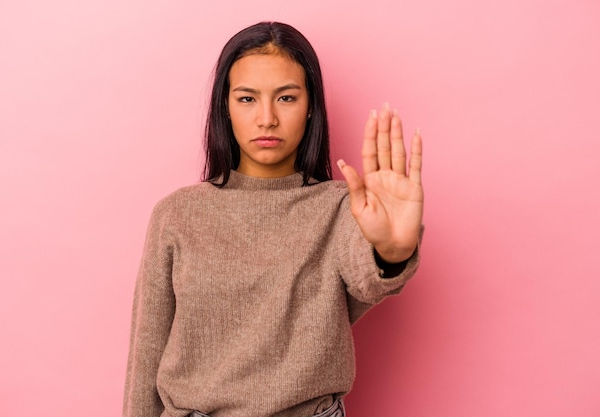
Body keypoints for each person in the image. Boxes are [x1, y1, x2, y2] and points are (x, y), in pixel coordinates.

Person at [123, 21, 424, 417]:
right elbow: (147, 352)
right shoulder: (177, 214)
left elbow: (366, 277)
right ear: (225, 107)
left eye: (286, 98)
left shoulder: (340, 207)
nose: (266, 118)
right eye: (247, 99)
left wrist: (392, 251)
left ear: (311, 104)